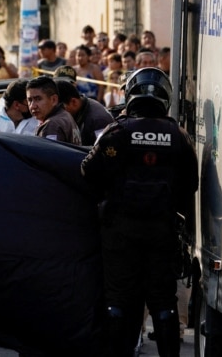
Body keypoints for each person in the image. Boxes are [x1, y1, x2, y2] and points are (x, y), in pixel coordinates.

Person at [80, 67, 198, 357]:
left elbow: (87, 171)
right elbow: (192, 184)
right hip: (162, 230)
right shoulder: (178, 134)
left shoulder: (117, 131)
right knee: (163, 300)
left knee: (117, 299)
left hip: (119, 230)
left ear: (130, 93)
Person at [58, 78, 115, 147]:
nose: (59, 113)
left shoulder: (98, 120)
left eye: (61, 109)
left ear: (74, 102)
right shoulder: (81, 106)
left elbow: (103, 150)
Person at [25, 76, 80, 145]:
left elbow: (49, 154)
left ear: (54, 100)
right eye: (30, 100)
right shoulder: (65, 115)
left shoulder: (52, 125)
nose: (32, 106)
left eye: (38, 99)